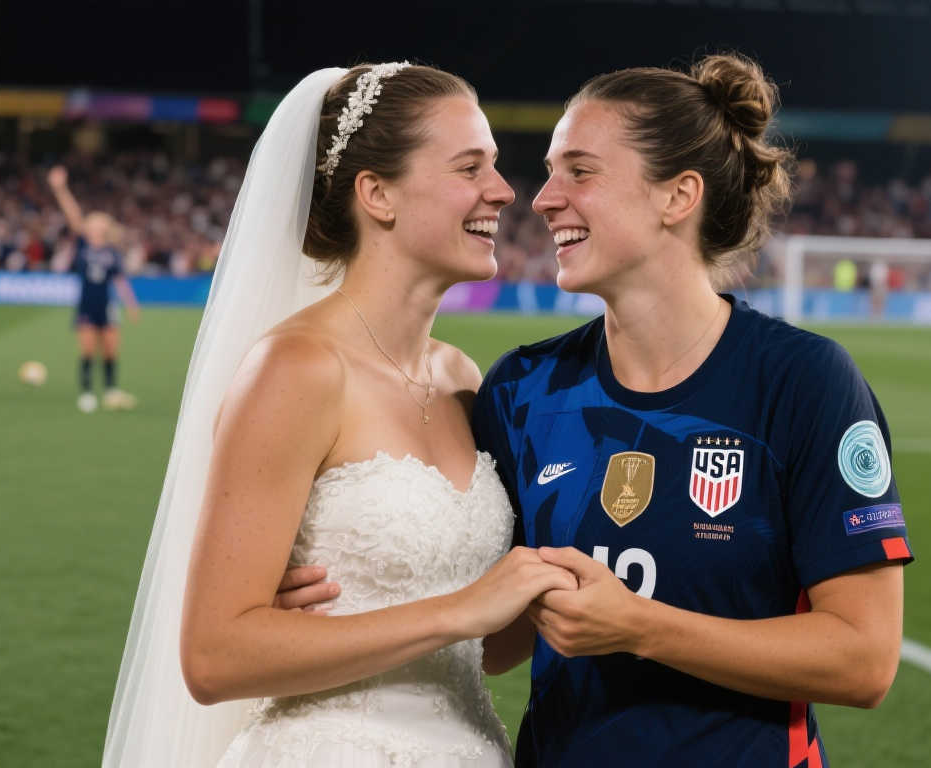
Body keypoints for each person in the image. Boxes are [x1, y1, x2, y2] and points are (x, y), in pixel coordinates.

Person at [103, 64, 577, 767]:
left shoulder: (461, 379)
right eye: (469, 167)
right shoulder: (297, 369)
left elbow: (486, 646)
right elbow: (213, 656)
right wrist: (456, 610)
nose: (505, 191)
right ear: (377, 194)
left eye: (495, 165)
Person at [467, 55, 915, 766]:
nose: (544, 199)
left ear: (678, 195)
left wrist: (639, 626)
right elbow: (495, 646)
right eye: (551, 172)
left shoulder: (803, 381)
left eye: (580, 171)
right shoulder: (522, 388)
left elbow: (863, 660)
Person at [47, 166, 140, 412]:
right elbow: (73, 215)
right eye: (92, 221)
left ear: (104, 227)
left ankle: (110, 390)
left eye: (98, 221)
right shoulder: (82, 244)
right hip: (86, 304)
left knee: (110, 351)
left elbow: (120, 280)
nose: (93, 223)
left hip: (106, 305)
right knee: (87, 350)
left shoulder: (112, 252)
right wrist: (60, 189)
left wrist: (131, 305)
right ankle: (87, 393)